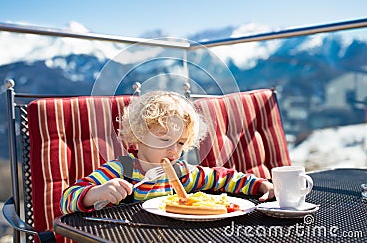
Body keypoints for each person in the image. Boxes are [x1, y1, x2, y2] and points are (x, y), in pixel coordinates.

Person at [61, 91, 274, 214]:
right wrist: (96, 193)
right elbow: (66, 201)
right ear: (138, 137)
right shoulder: (122, 169)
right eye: (165, 140)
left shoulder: (182, 172)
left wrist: (260, 184)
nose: (173, 150)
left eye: (181, 143)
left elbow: (224, 178)